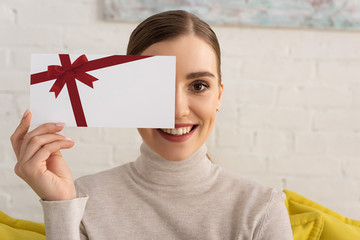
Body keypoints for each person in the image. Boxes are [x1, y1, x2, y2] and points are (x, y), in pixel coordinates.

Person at [11, 10, 293, 240]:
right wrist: (61, 208)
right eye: (155, 87)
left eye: (198, 85)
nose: (177, 109)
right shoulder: (80, 200)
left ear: (219, 95)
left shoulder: (261, 209)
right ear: (127, 93)